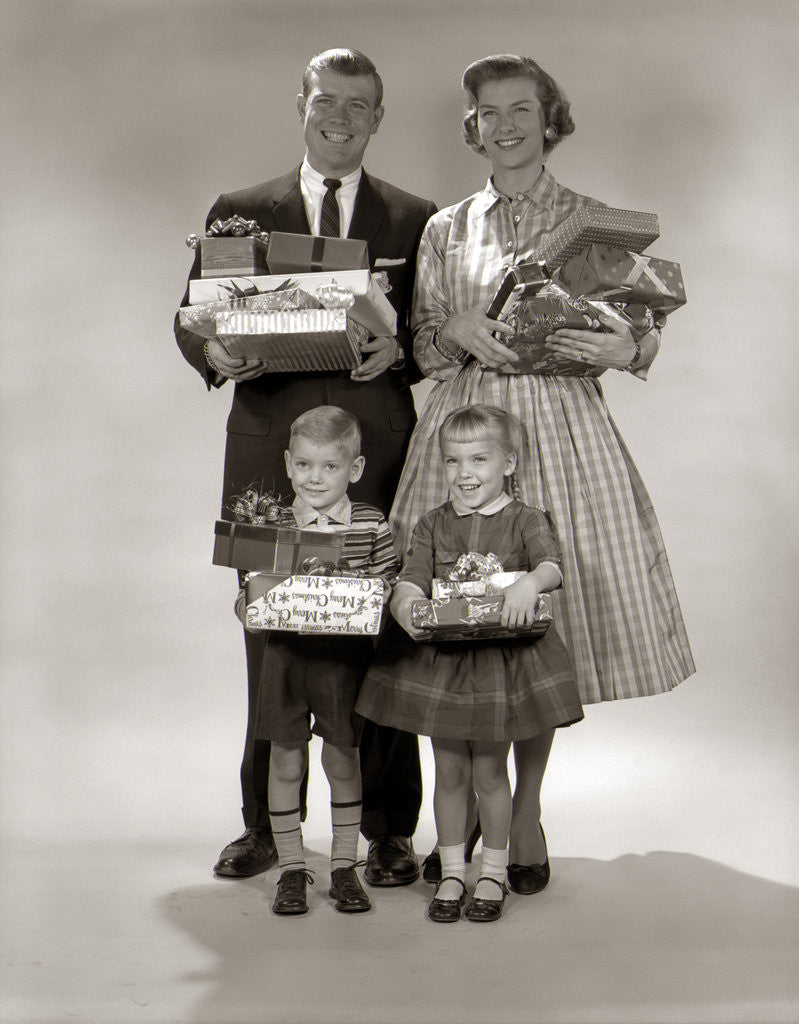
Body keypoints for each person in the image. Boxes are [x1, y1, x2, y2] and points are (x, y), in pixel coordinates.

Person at [388, 54, 696, 893]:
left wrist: (629, 347)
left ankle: (521, 811)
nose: (505, 125)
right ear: (473, 126)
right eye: (487, 113)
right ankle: (467, 814)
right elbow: (417, 348)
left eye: (520, 108)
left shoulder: (593, 221)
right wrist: (453, 327)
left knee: (531, 623)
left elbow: (639, 330)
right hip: (464, 436)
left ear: (549, 117)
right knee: (457, 612)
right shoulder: (446, 228)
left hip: (560, 429)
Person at [174, 48, 436, 885]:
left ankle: (391, 832)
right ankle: (263, 826)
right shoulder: (239, 210)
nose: (342, 116)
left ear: (377, 118)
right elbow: (190, 318)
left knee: (384, 628)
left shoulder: (414, 217)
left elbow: (429, 335)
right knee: (270, 628)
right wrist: (214, 345)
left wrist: (401, 347)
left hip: (378, 447)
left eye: (360, 105)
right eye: (329, 100)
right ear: (301, 104)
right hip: (267, 449)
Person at [356, 405, 583, 922]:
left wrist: (529, 581)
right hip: (446, 668)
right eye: (453, 461)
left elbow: (550, 564)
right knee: (450, 770)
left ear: (509, 463)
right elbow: (411, 578)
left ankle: (493, 872)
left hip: (500, 667)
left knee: (489, 772)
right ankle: (454, 870)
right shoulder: (432, 524)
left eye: (479, 459)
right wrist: (403, 604)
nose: (465, 473)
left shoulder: (527, 518)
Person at [234, 406, 400, 915]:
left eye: (330, 467)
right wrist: (249, 607)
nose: (315, 478)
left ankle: (345, 867)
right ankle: (291, 869)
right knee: (286, 759)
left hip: (343, 661)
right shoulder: (274, 522)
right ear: (287, 464)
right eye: (304, 465)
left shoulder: (371, 523)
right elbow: (248, 595)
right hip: (285, 657)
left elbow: (391, 586)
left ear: (354, 468)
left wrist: (373, 598)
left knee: (342, 757)